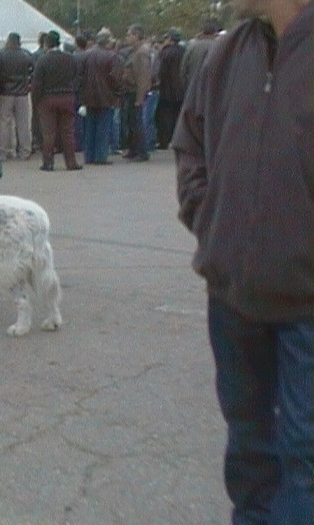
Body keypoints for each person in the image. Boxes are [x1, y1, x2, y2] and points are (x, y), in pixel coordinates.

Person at [173, 1, 313, 523]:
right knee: (250, 452)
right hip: (233, 297)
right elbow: (190, 143)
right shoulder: (229, 51)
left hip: (308, 305)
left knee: (306, 460)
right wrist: (209, 217)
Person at [31, 30, 82, 172]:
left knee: (49, 133)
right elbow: (76, 77)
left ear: (46, 44)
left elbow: (37, 83)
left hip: (48, 99)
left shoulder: (43, 60)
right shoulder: (70, 58)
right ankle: (71, 162)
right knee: (68, 132)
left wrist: (36, 101)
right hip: (67, 97)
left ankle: (48, 163)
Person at [80, 29, 123, 165]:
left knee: (90, 127)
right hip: (106, 96)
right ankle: (100, 156)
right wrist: (118, 92)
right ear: (107, 42)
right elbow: (115, 77)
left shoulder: (85, 55)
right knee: (103, 128)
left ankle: (89, 156)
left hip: (88, 96)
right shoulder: (111, 57)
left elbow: (80, 76)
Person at [0, 32, 33, 161]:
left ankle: (2, 152)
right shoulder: (26, 55)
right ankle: (25, 151)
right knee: (23, 123)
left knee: (4, 123)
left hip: (5, 92)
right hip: (22, 93)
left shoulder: (1, 55)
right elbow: (31, 71)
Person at [121, 24, 151, 162]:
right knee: (131, 122)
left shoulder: (141, 53)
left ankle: (142, 151)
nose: (127, 37)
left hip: (135, 92)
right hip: (129, 91)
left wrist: (140, 97)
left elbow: (143, 76)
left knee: (137, 122)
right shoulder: (134, 51)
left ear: (136, 36)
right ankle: (133, 149)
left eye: (129, 34)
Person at [155, 28, 185, 150]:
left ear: (170, 39)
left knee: (164, 117)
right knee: (179, 116)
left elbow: (160, 71)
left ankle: (164, 141)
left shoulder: (165, 52)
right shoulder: (184, 51)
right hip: (181, 89)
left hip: (167, 89)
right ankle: (179, 140)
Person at [179, 19, 220, 94]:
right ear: (215, 32)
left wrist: (186, 87)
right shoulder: (220, 47)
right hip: (213, 91)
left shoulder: (192, 47)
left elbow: (183, 70)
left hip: (193, 89)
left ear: (202, 32)